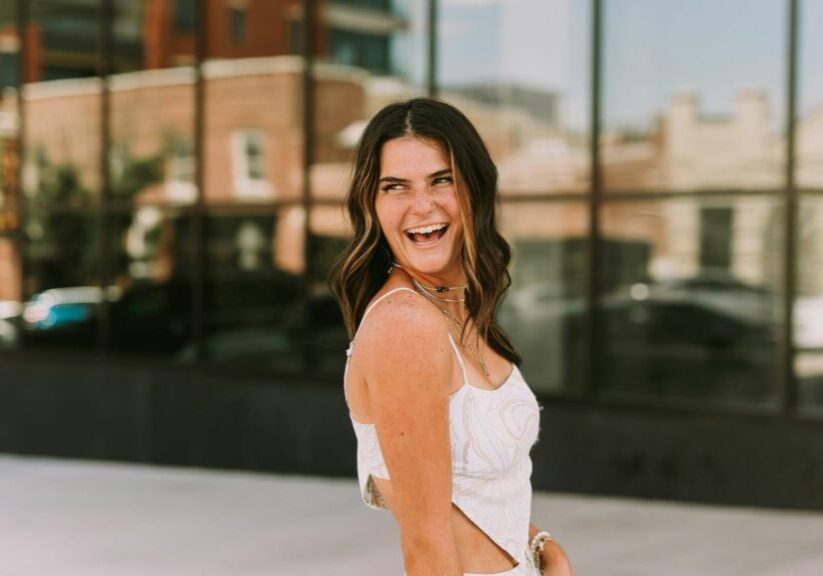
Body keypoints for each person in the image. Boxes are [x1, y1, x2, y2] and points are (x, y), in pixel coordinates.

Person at [330, 98, 574, 576]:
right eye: (395, 187)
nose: (422, 206)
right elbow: (424, 546)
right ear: (372, 204)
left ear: (474, 189)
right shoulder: (406, 326)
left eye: (442, 180)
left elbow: (475, 493)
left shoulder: (454, 309)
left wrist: (540, 545)